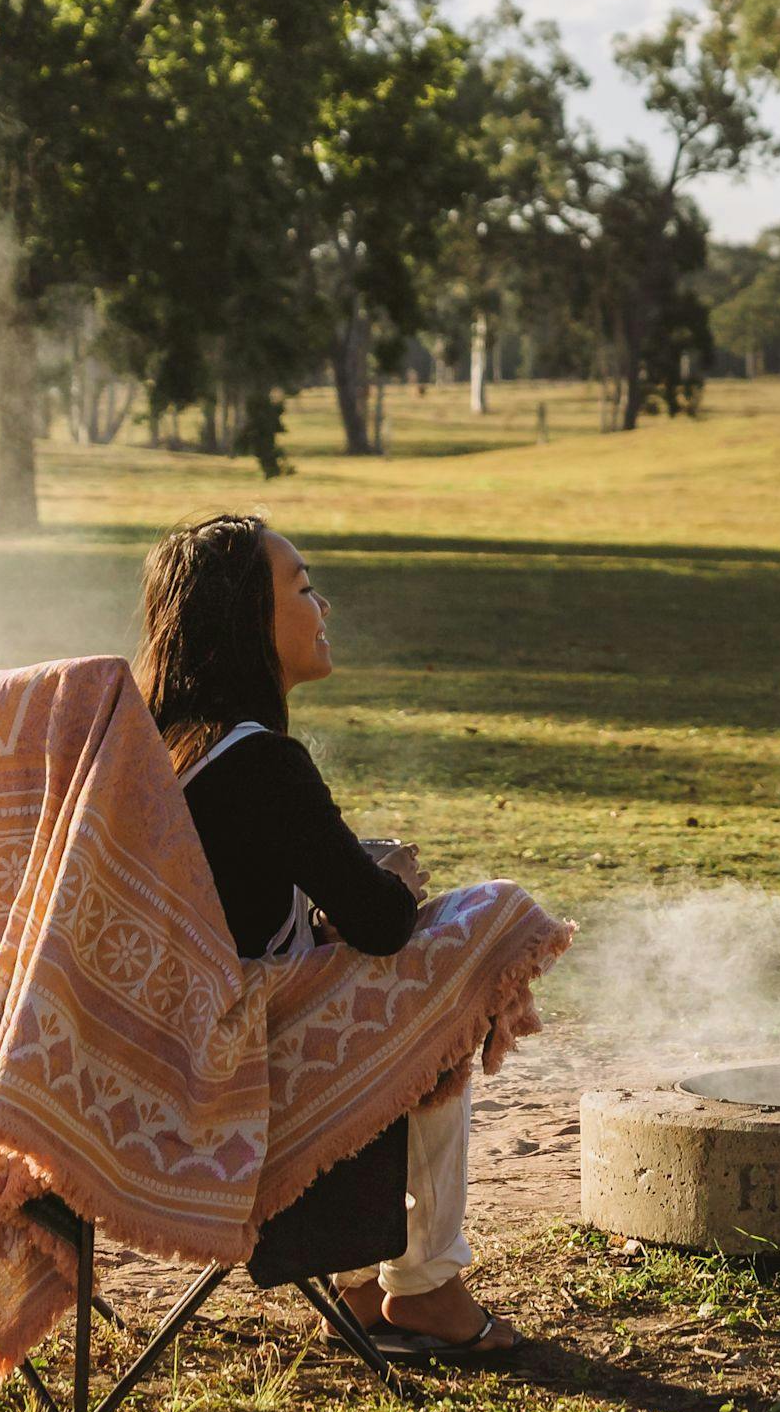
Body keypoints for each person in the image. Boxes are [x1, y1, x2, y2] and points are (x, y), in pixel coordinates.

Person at [134, 510, 527, 1362]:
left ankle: (357, 1284)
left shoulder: (161, 749)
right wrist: (391, 884)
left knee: (380, 972)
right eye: (304, 589)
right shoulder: (260, 763)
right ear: (249, 621)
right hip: (227, 1095)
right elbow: (382, 925)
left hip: (144, 1070)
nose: (323, 607)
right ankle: (426, 1286)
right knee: (472, 943)